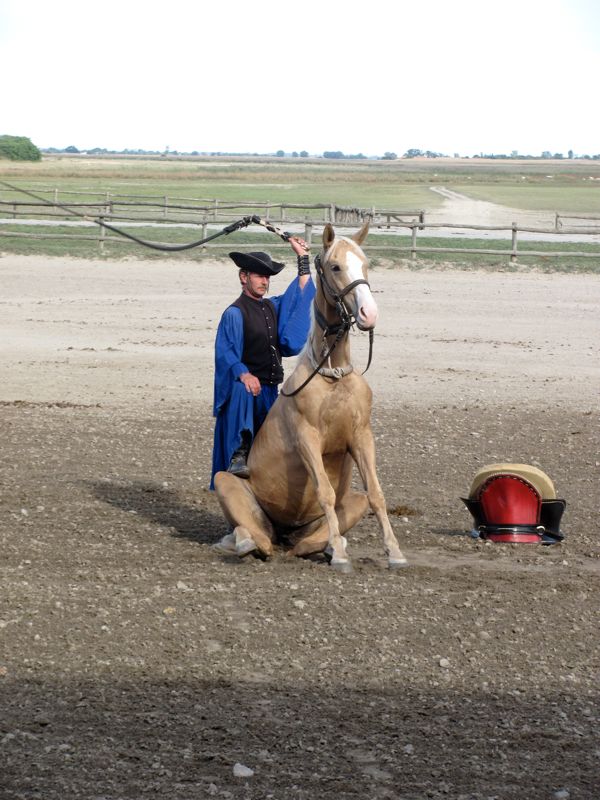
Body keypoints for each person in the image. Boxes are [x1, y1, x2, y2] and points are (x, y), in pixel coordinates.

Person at [210, 236, 315, 488]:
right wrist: (244, 374)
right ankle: (239, 453)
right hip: (244, 392)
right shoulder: (234, 313)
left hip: (269, 389)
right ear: (243, 277)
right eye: (259, 276)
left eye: (267, 277)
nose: (264, 282)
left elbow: (300, 295)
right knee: (242, 387)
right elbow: (226, 353)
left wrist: (302, 258)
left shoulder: (272, 307)